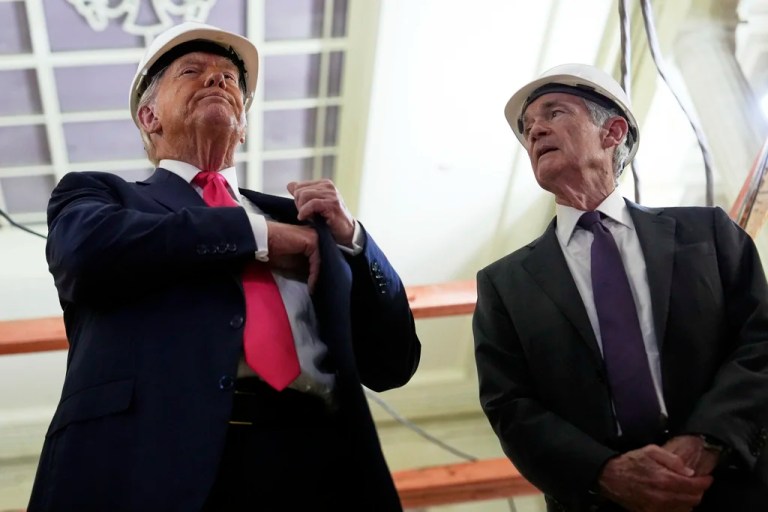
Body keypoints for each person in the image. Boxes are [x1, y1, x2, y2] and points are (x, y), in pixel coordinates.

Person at [28, 22, 420, 512]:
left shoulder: (307, 221)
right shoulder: (100, 195)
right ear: (149, 116)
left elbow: (393, 362)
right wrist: (258, 237)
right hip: (144, 459)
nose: (217, 80)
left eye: (230, 78)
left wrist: (353, 242)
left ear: (245, 125)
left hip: (318, 464)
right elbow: (84, 253)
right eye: (191, 71)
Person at [473, 63, 768, 512]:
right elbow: (510, 407)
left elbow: (760, 342)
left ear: (612, 132)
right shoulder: (504, 285)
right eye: (527, 127)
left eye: (554, 113)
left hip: (732, 487)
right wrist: (604, 473)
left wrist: (709, 439)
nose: (535, 131)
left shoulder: (707, 233)